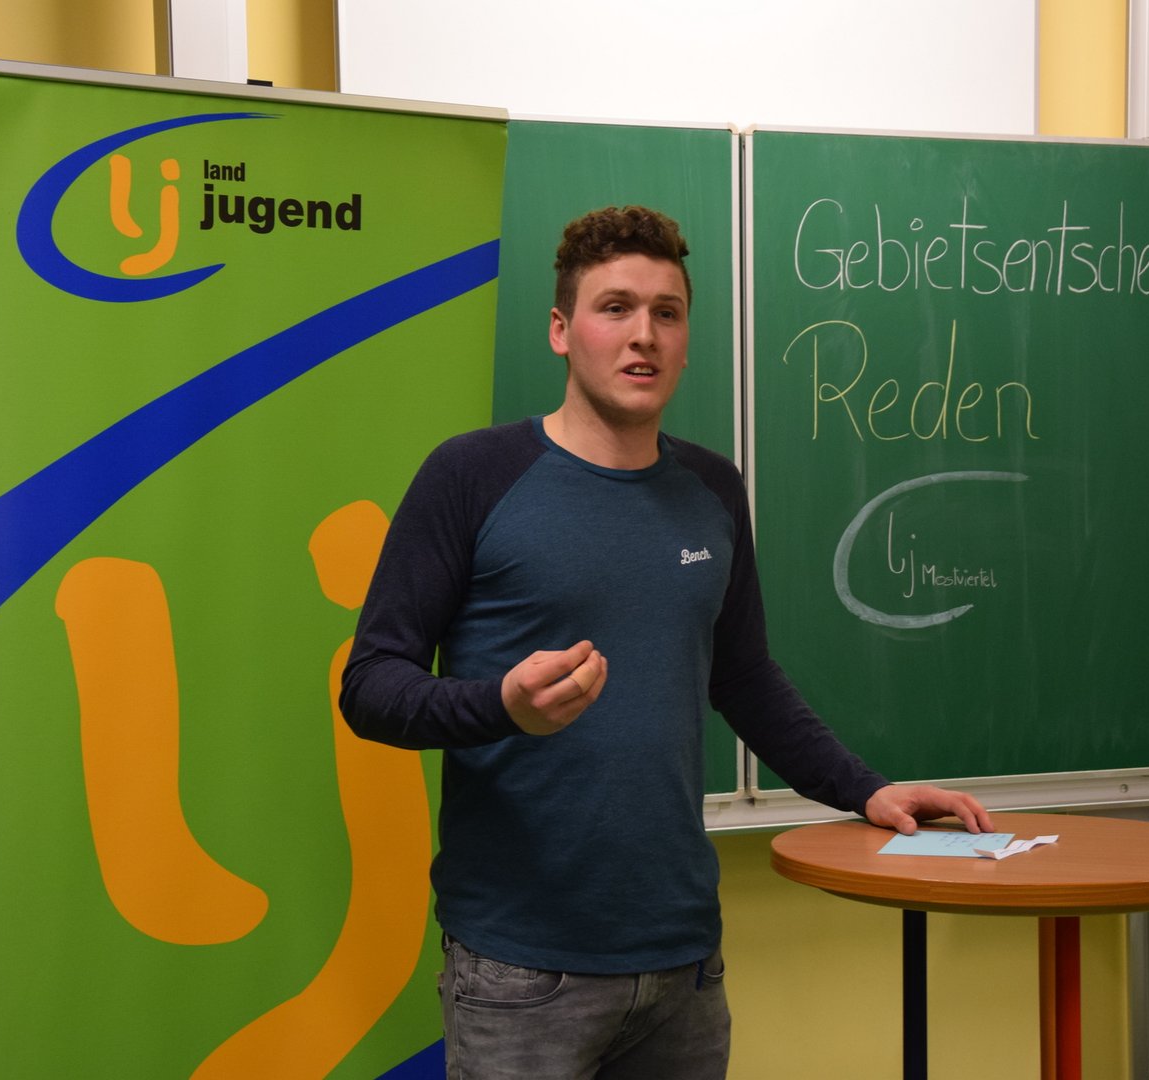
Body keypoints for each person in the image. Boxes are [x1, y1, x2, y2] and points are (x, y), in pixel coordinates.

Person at [340, 205, 992, 1079]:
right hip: (521, 967)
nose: (643, 334)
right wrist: (499, 706)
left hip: (682, 962)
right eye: (615, 308)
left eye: (667, 313)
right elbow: (371, 686)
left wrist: (865, 791)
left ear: (685, 342)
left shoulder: (712, 490)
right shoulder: (471, 475)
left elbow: (744, 677)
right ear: (562, 331)